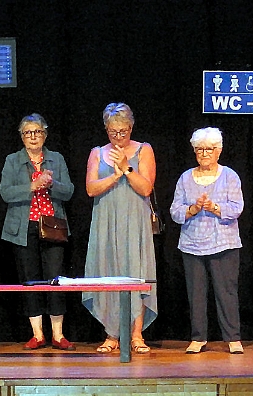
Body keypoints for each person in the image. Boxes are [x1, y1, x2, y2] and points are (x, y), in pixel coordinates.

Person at [82, 102, 157, 354]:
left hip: (134, 220)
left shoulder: (144, 150)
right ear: (106, 129)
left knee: (135, 270)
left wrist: (125, 167)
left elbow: (146, 188)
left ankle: (136, 334)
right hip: (106, 220)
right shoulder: (97, 153)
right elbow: (91, 189)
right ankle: (111, 334)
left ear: (131, 127)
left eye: (123, 131)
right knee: (108, 270)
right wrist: (114, 176)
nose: (118, 136)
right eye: (113, 132)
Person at [0, 113, 75, 350]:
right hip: (23, 228)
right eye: (28, 133)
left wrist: (52, 184)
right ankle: (37, 334)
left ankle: (58, 334)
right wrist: (31, 186)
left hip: (53, 226)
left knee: (55, 280)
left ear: (45, 134)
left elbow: (70, 191)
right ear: (22, 137)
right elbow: (5, 193)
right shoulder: (13, 160)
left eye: (38, 132)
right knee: (30, 281)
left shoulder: (56, 159)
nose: (33, 137)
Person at [170, 127, 244, 355]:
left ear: (218, 151)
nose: (204, 154)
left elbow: (237, 207)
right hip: (192, 244)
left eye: (209, 149)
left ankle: (232, 339)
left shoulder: (229, 176)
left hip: (224, 243)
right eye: (199, 149)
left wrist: (215, 208)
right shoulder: (185, 178)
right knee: (196, 293)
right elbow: (175, 210)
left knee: (226, 292)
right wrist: (192, 209)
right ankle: (198, 338)